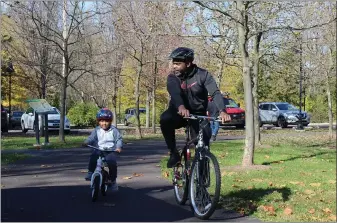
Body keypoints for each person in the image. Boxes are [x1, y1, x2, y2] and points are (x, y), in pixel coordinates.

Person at [160, 47, 231, 168]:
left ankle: (202, 180)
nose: (174, 66)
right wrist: (181, 107)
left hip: (198, 114)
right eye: (173, 63)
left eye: (178, 64)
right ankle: (173, 153)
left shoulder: (203, 75)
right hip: (178, 113)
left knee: (203, 147)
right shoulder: (173, 77)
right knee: (165, 119)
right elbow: (175, 92)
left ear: (188, 63)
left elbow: (215, 93)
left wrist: (222, 111)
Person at [82, 108, 122, 192]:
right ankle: (90, 172)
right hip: (98, 149)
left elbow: (118, 139)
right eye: (102, 121)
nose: (104, 123)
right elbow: (91, 138)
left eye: (106, 121)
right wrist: (86, 142)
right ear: (98, 121)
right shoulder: (97, 130)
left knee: (112, 163)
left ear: (110, 121)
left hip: (110, 150)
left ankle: (113, 180)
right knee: (93, 157)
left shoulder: (114, 130)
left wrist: (118, 147)